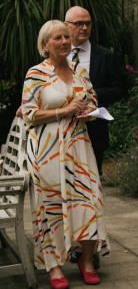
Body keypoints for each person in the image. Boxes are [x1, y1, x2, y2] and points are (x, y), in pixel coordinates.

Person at [22, 20, 109, 289]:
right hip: (47, 150)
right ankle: (54, 266)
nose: (64, 42)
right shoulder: (36, 74)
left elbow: (91, 99)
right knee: (51, 208)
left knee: (88, 202)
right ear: (45, 45)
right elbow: (28, 114)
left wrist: (89, 112)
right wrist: (65, 110)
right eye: (57, 38)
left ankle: (87, 261)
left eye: (65, 37)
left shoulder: (79, 70)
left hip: (79, 148)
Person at [64, 6, 126, 176]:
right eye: (78, 23)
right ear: (66, 25)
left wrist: (95, 94)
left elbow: (119, 90)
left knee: (92, 184)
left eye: (88, 23)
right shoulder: (57, 55)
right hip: (61, 131)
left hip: (94, 131)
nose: (84, 28)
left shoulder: (106, 56)